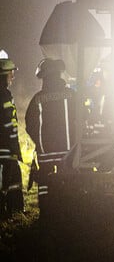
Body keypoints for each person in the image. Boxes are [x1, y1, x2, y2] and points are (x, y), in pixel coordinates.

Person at [24, 58, 81, 214]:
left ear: (44, 77)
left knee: (45, 185)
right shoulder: (71, 95)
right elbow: (83, 117)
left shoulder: (37, 99)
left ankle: (47, 215)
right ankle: (70, 215)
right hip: (69, 153)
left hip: (46, 154)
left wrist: (40, 143)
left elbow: (30, 125)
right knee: (69, 183)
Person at [0, 50, 24, 218]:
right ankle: (8, 213)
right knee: (6, 181)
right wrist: (15, 147)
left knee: (13, 178)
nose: (13, 77)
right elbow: (10, 124)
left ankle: (14, 211)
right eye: (11, 73)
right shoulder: (5, 95)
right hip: (4, 149)